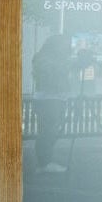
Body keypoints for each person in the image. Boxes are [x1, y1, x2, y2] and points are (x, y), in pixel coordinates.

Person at [31, 34, 75, 173]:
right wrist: (68, 63)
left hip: (58, 98)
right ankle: (44, 164)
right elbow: (50, 73)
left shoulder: (58, 58)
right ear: (55, 44)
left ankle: (46, 162)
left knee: (53, 130)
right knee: (47, 131)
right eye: (64, 44)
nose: (66, 47)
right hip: (48, 99)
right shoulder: (42, 57)